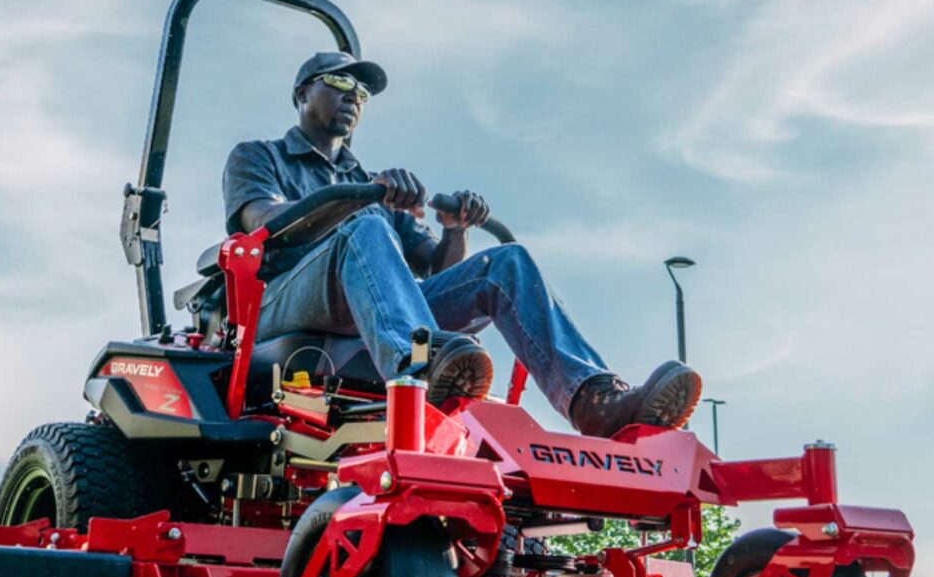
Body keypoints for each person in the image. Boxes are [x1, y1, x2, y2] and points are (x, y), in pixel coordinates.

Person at [222, 51, 701, 437]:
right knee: (365, 229)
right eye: (340, 83)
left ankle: (594, 401)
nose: (354, 97)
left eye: (363, 91)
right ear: (303, 92)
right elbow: (262, 220)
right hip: (284, 305)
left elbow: (435, 272)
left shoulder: (372, 185)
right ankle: (419, 370)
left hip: (375, 314)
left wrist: (455, 228)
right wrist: (353, 201)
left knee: (506, 262)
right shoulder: (259, 157)